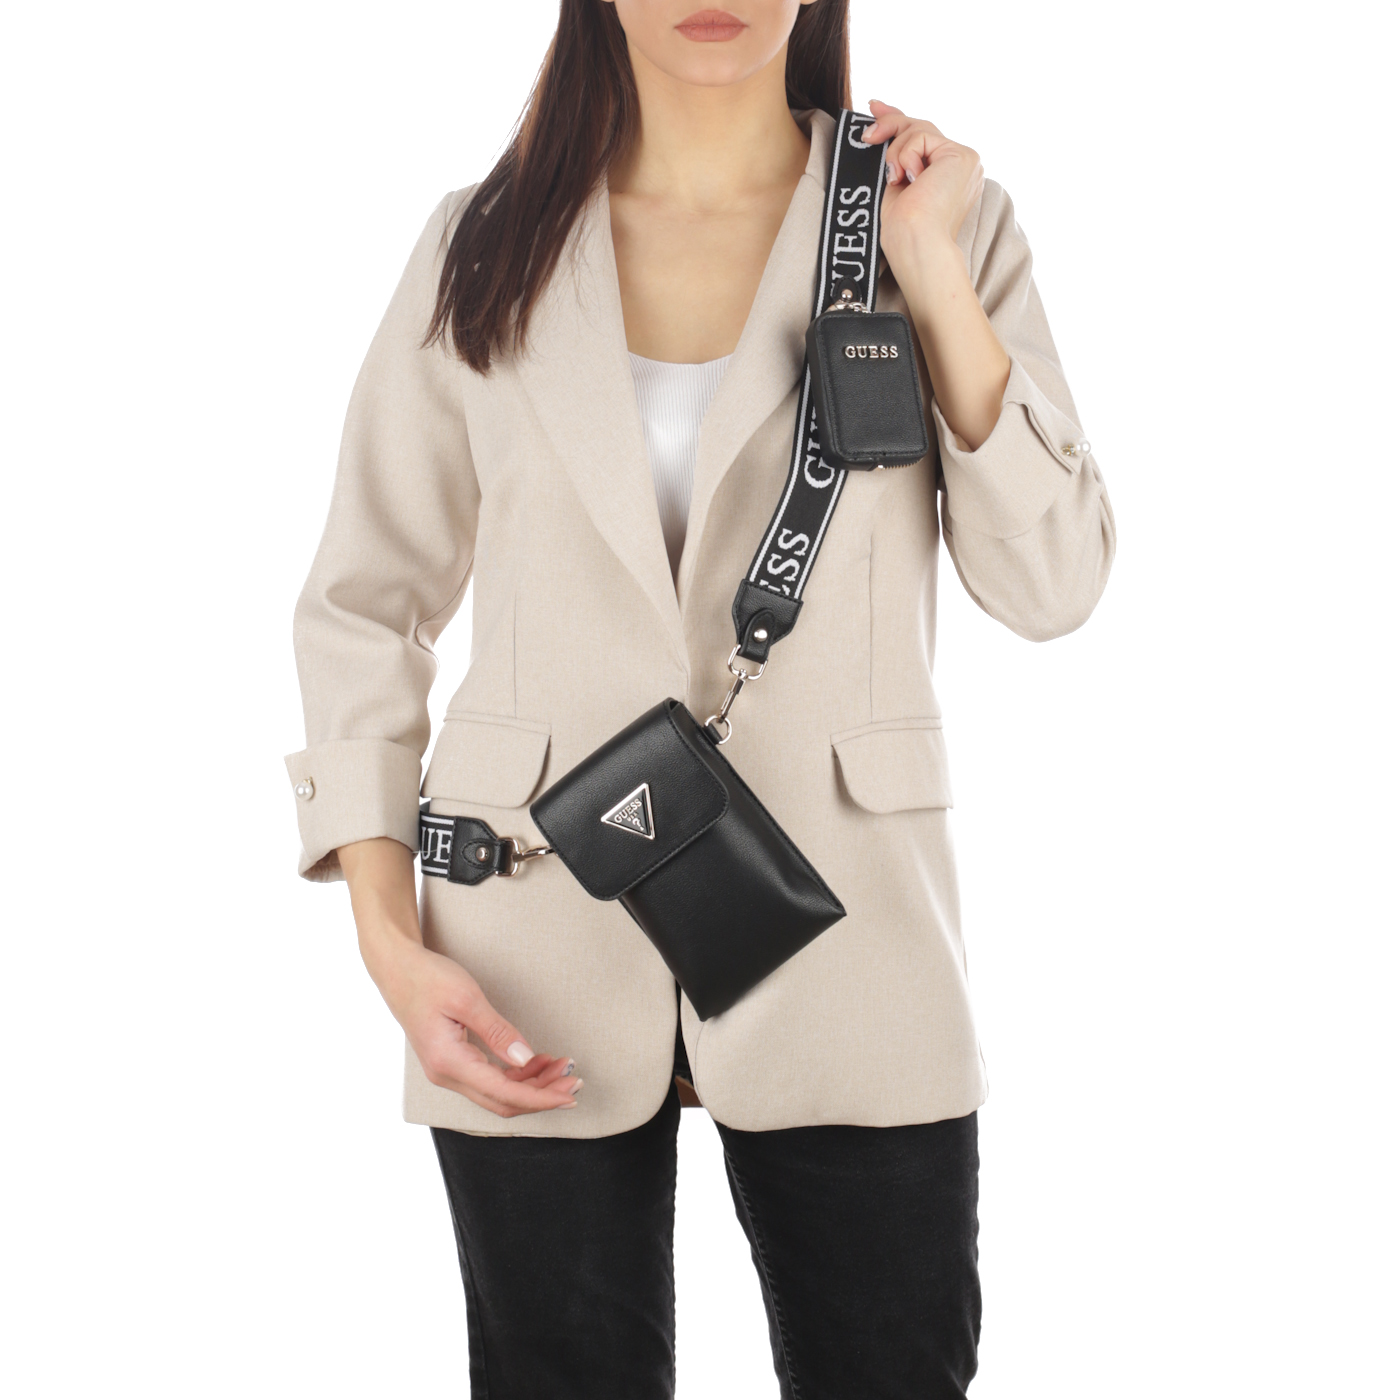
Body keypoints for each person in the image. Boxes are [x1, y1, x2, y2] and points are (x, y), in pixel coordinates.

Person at [284, 2, 1114, 1395]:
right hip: (529, 941)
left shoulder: (945, 224)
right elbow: (363, 604)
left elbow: (1055, 583)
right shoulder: (481, 242)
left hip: (851, 940)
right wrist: (386, 942)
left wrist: (930, 274)